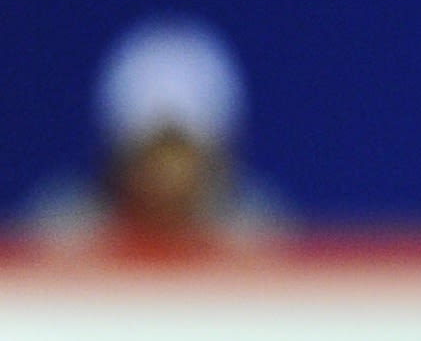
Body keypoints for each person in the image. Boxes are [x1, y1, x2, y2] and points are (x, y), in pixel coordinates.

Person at [26, 21, 289, 256]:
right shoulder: (59, 239)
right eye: (150, 152)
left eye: (182, 151)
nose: (166, 174)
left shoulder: (263, 242)